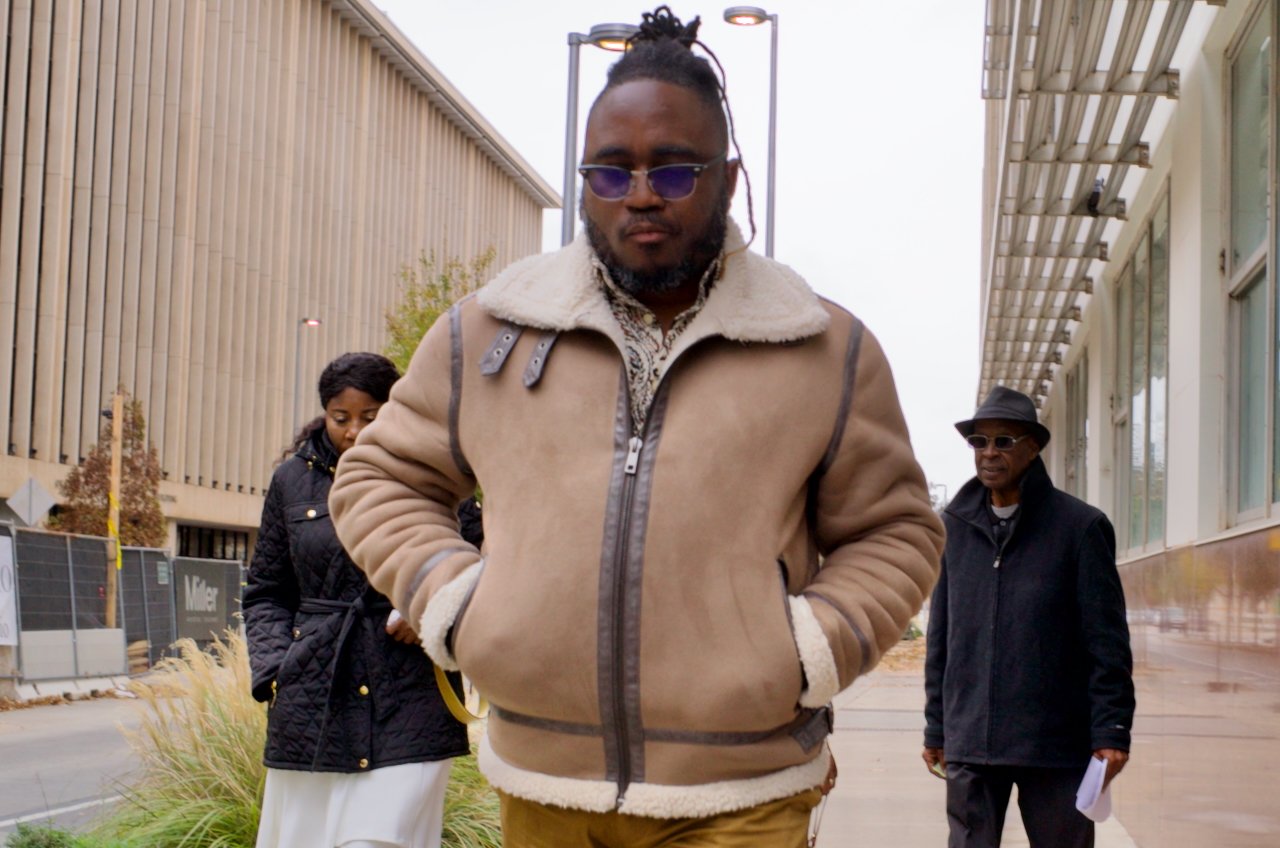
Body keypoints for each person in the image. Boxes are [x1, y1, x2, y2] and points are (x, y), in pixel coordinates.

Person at [330, 7, 943, 846]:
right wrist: (461, 601)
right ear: (585, 183)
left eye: (674, 171)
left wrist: (811, 647)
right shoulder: (487, 333)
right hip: (544, 781)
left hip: (747, 790)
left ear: (728, 176)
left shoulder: (825, 347)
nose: (642, 195)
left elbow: (896, 530)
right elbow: (379, 478)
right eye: (611, 173)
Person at [244, 352, 473, 848]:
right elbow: (265, 591)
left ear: (395, 408)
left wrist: (433, 608)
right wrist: (273, 669)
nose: (352, 431)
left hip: (411, 692)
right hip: (312, 694)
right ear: (324, 413)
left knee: (375, 840)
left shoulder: (439, 474)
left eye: (369, 416)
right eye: (340, 417)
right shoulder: (290, 482)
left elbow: (484, 565)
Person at [922, 385, 1135, 848]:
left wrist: (1112, 728)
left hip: (1055, 745)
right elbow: (942, 637)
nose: (989, 452)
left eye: (1004, 441)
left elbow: (1107, 643)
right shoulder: (952, 528)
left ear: (1033, 447)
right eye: (979, 442)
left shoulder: (1080, 528)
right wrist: (937, 726)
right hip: (971, 743)